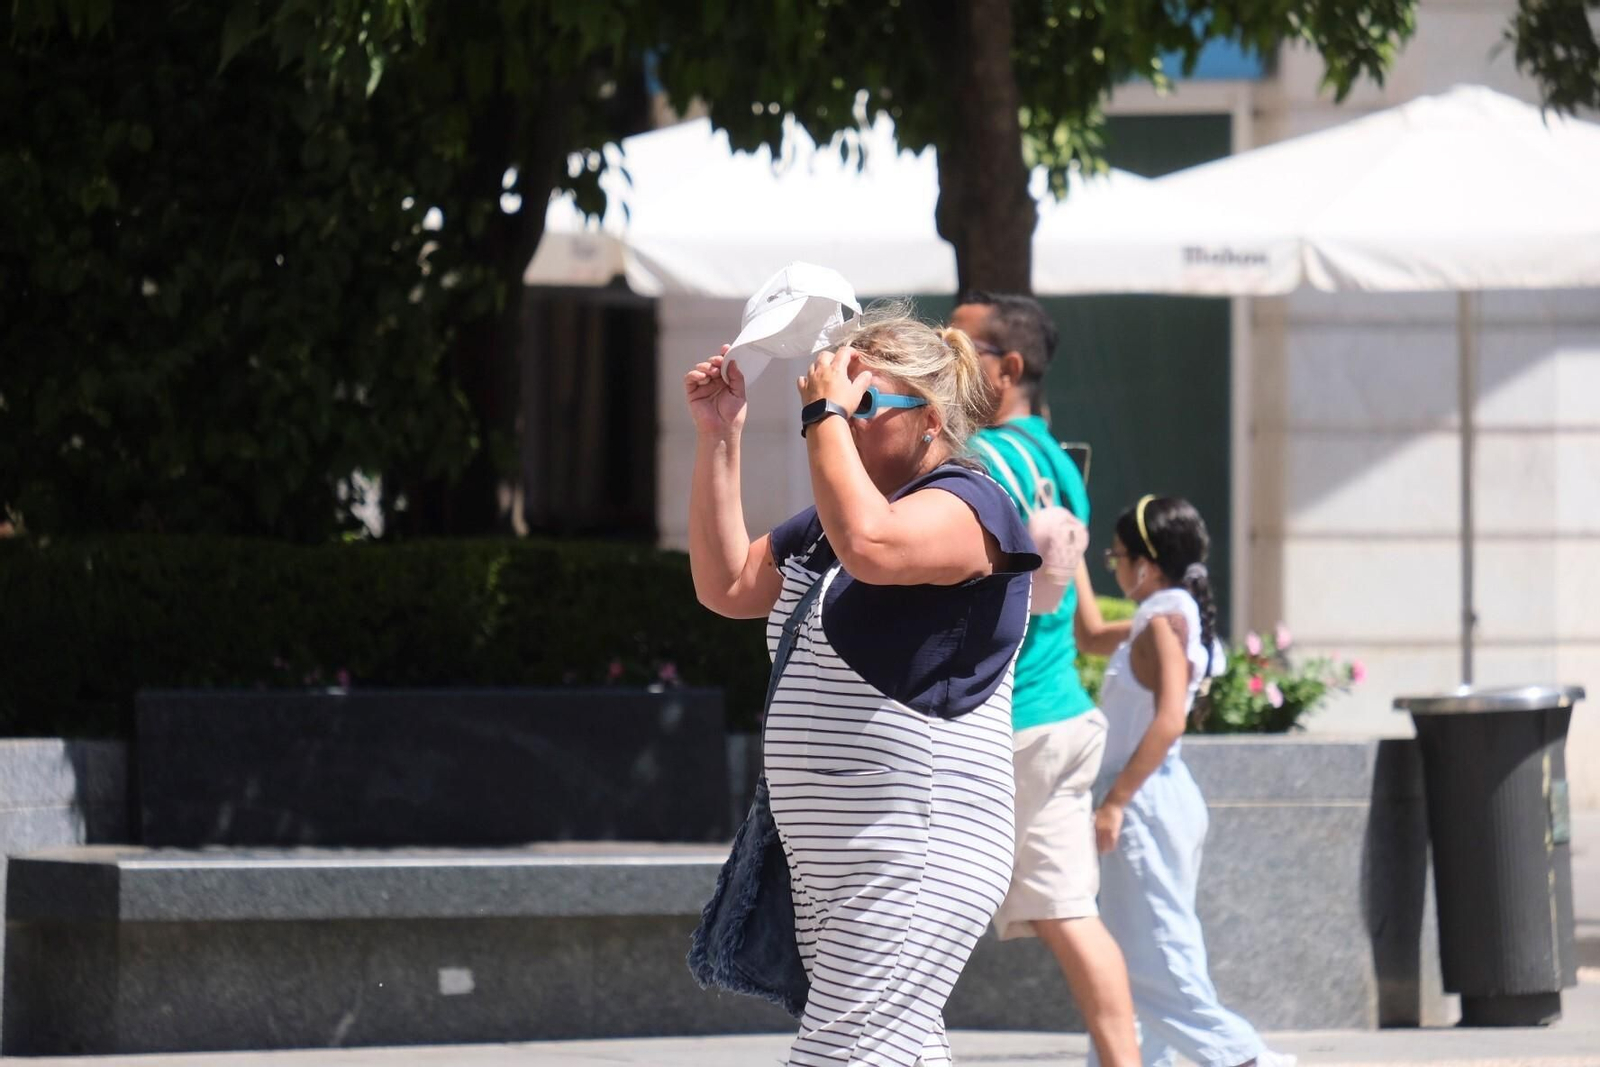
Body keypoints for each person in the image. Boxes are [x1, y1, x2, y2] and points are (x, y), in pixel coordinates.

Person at [685, 305, 1041, 1067]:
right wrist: (721, 433)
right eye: (831, 401)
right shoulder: (834, 522)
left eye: (863, 403)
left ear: (931, 418)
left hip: (916, 846)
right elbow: (728, 584)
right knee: (892, 1047)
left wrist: (821, 415)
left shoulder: (970, 502)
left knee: (846, 1050)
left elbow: (873, 547)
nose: (840, 420)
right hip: (839, 858)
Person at [951, 293, 1141, 1067]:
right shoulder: (1062, 465)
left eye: (957, 346)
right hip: (1065, 718)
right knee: (1072, 916)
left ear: (1007, 367)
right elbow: (1078, 612)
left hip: (1006, 727)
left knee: (914, 909)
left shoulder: (977, 460)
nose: (942, 358)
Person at [1094, 495, 1294, 1067]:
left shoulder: (1163, 624)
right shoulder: (1166, 617)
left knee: (1156, 961)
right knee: (1144, 958)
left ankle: (1245, 1059)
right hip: (1159, 796)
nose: (1115, 567)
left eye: (1117, 557)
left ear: (1147, 565)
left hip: (1142, 801)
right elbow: (1088, 634)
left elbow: (1169, 720)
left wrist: (1115, 803)